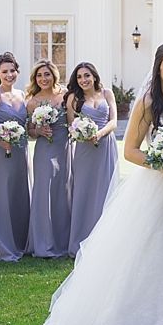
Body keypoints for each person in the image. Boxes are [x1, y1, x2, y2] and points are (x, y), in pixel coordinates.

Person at [37, 42, 163, 325]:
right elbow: (131, 151)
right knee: (141, 257)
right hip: (153, 188)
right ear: (158, 67)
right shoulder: (149, 102)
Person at [65, 62, 118, 257]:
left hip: (106, 146)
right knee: (84, 192)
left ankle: (106, 241)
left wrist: (100, 133)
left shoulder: (107, 93)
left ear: (94, 76)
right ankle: (81, 239)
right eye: (79, 77)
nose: (83, 80)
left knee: (106, 192)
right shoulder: (74, 98)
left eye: (86, 75)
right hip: (85, 150)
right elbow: (71, 125)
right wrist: (83, 134)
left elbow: (113, 120)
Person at [0, 52, 31, 261]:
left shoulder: (22, 95)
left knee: (18, 195)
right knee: (1, 196)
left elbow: (27, 125)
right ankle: (4, 245)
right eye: (5, 71)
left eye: (12, 71)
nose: (9, 75)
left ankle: (21, 241)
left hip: (20, 151)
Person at [25, 59, 71, 258]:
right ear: (35, 79)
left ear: (54, 75)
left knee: (63, 192)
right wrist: (39, 131)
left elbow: (72, 123)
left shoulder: (65, 96)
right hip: (44, 151)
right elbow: (30, 133)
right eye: (39, 75)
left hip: (64, 148)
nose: (44, 78)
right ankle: (44, 243)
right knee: (44, 193)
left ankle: (63, 240)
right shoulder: (32, 102)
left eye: (47, 74)